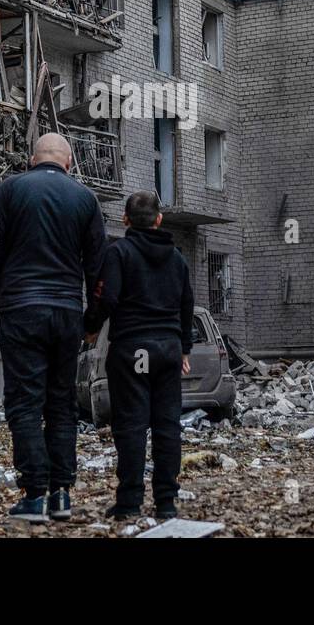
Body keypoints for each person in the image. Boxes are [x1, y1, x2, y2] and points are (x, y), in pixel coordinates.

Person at [0, 132, 106, 523]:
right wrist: (91, 321)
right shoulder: (86, 199)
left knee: (25, 401)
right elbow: (99, 269)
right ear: (69, 163)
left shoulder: (10, 190)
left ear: (32, 160)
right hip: (67, 312)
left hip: (20, 310)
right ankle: (61, 495)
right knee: (62, 403)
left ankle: (34, 496)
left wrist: (1, 289)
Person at [85, 190, 194, 520]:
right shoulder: (177, 258)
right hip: (168, 351)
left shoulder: (119, 253)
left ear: (125, 219)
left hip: (133, 350)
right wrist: (184, 348)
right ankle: (166, 503)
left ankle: (129, 503)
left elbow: (107, 297)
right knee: (167, 427)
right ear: (159, 219)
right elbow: (186, 304)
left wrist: (91, 327)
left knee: (131, 427)